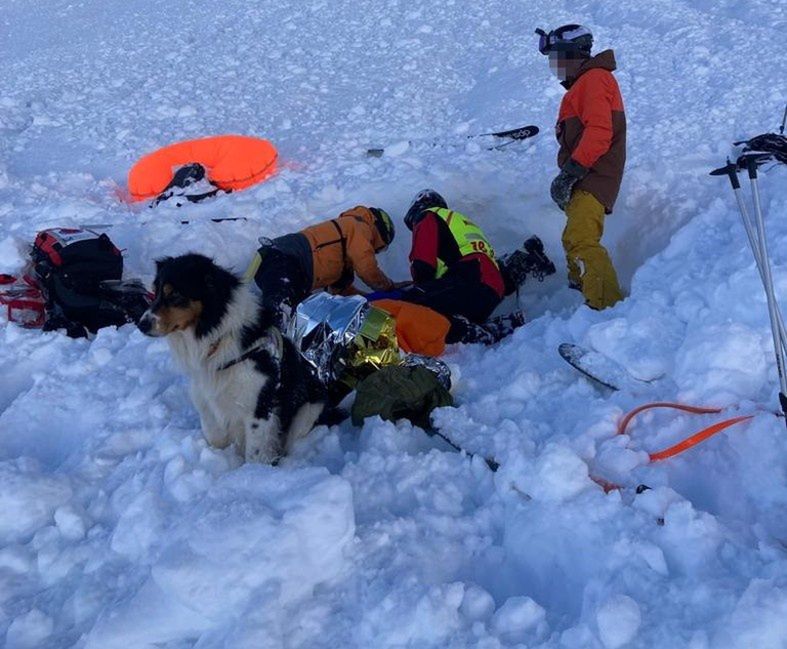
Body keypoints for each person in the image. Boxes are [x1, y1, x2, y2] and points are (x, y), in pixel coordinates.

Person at [536, 24, 626, 310]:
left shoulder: (594, 79)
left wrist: (571, 172)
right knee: (573, 238)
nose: (555, 67)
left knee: (582, 240)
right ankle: (584, 298)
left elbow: (600, 131)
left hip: (592, 176)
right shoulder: (582, 86)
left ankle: (606, 309)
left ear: (573, 54)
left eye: (557, 59)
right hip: (586, 177)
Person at [251, 205, 397, 326]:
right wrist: (389, 289)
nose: (376, 251)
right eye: (381, 248)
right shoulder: (359, 226)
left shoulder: (343, 254)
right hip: (285, 259)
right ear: (381, 234)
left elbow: (344, 294)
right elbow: (367, 269)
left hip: (285, 268)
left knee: (300, 318)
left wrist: (374, 301)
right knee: (280, 314)